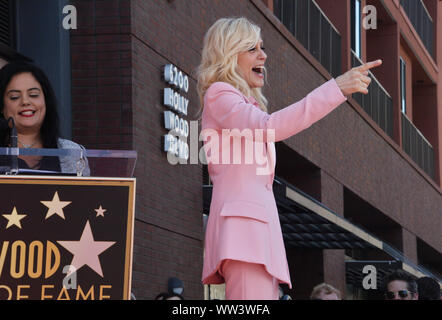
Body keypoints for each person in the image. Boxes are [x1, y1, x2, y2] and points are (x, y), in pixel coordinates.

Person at [197, 17, 382, 300]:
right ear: (228, 54)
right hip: (245, 238)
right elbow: (271, 127)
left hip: (256, 237)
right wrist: (336, 88)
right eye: (252, 49)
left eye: (262, 46)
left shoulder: (240, 103)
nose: (263, 54)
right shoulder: (220, 94)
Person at [0, 61, 89, 175]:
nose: (25, 102)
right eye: (15, 97)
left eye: (33, 95)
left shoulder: (71, 152)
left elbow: (82, 192)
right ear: (1, 106)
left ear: (45, 100)